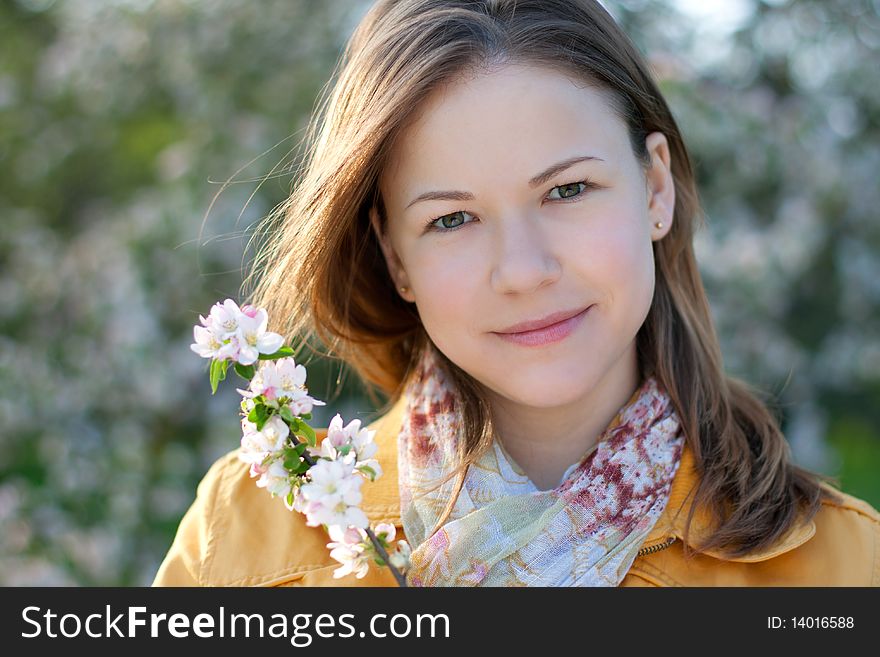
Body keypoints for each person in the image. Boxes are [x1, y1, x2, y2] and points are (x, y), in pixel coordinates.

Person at [153, 0, 879, 587]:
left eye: (567, 190)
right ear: (393, 256)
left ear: (654, 187)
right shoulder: (249, 535)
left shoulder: (843, 570)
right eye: (452, 219)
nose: (523, 269)